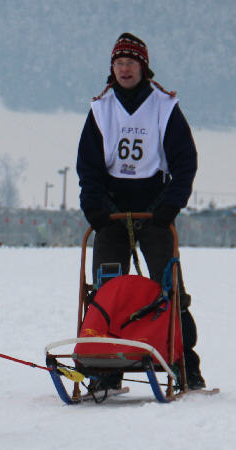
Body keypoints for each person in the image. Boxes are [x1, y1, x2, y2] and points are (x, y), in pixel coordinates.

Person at [76, 33, 205, 390]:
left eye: (131, 63)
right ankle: (105, 369)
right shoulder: (100, 109)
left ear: (143, 67)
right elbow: (88, 168)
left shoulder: (165, 106)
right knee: (105, 290)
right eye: (118, 63)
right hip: (111, 212)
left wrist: (171, 204)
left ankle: (184, 366)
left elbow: (185, 161)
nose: (124, 69)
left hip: (155, 210)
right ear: (112, 69)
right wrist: (94, 208)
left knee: (170, 288)